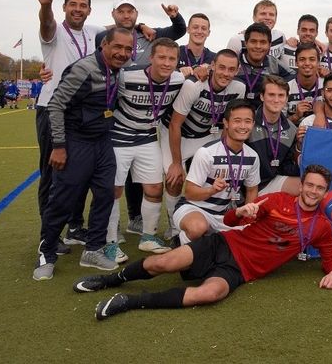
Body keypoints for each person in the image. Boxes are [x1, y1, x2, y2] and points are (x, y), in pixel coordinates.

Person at [73, 164, 332, 321]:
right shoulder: (277, 200)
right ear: (302, 185)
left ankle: (130, 301)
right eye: (310, 185)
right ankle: (111, 281)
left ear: (325, 192)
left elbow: (329, 254)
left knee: (210, 294)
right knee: (163, 262)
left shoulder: (321, 226)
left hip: (239, 271)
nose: (313, 191)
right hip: (222, 244)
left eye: (320, 188)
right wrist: (241, 212)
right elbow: (232, 220)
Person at [33, 28, 134, 280]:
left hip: (102, 141)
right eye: (117, 47)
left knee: (105, 195)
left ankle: (93, 249)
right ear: (104, 46)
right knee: (63, 200)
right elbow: (55, 106)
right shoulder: (84, 68)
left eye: (128, 49)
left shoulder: (117, 70)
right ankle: (46, 252)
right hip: (76, 141)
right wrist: (59, 145)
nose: (122, 53)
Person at [34, 0, 106, 249]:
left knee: (80, 172)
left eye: (83, 5)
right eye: (72, 4)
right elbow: (46, 24)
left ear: (89, 10)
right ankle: (47, 235)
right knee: (52, 174)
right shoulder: (54, 30)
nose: (78, 9)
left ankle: (74, 227)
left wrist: (144, 26)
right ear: (64, 7)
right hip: (54, 108)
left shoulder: (95, 32)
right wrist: (45, 5)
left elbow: (120, 27)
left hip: (84, 113)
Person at [106, 38, 186, 262]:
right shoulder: (127, 75)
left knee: (153, 188)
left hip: (148, 137)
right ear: (150, 58)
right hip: (119, 137)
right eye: (162, 57)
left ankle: (148, 237)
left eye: (172, 59)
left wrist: (199, 70)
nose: (167, 63)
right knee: (113, 190)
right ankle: (110, 240)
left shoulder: (179, 79)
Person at [161, 50, 246, 239]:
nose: (226, 73)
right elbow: (176, 124)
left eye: (231, 69)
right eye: (222, 67)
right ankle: (173, 226)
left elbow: (228, 123)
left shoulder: (239, 88)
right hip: (178, 134)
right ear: (213, 65)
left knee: (215, 174)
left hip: (206, 135)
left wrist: (225, 155)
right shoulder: (194, 85)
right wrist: (176, 163)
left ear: (238, 70)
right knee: (174, 179)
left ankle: (211, 215)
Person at [173, 100, 260, 244]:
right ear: (226, 123)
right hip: (194, 208)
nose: (243, 126)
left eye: (248, 121)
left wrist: (246, 217)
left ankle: (209, 238)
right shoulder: (206, 153)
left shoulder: (252, 156)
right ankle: (180, 241)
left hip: (224, 214)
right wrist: (211, 190)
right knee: (198, 228)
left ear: (253, 124)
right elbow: (189, 192)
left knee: (252, 234)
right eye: (237, 121)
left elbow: (252, 190)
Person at [246, 75, 301, 195]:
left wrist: (301, 154)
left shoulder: (291, 129)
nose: (276, 100)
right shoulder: (248, 121)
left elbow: (285, 167)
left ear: (287, 99)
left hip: (270, 182)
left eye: (281, 95)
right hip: (243, 184)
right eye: (271, 95)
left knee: (306, 186)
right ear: (261, 96)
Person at [287, 42, 332, 125]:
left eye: (312, 59)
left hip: (325, 132)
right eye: (302, 59)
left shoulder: (328, 82)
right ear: (296, 62)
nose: (307, 63)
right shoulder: (287, 87)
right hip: (297, 133)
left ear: (318, 62)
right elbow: (278, 124)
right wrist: (296, 116)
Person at [235, 23, 292, 110]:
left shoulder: (273, 63)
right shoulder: (234, 62)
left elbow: (294, 77)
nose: (258, 46)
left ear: (269, 45)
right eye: (253, 41)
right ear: (246, 43)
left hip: (264, 117)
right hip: (237, 116)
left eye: (263, 42)